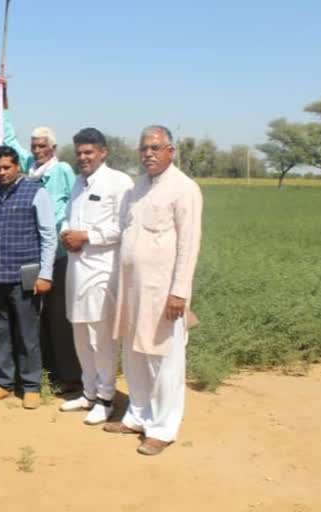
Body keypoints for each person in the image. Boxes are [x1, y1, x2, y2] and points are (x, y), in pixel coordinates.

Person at [104, 126, 203, 456]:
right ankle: (138, 415)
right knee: (134, 355)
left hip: (163, 292)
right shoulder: (137, 188)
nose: (148, 153)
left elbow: (189, 244)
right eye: (144, 148)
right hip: (133, 289)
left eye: (155, 148)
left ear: (170, 151)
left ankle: (163, 428)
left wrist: (180, 292)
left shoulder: (183, 189)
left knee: (164, 359)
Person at [1, 85, 80, 391]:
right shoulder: (28, 168)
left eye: (41, 146)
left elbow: (76, 203)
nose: (36, 151)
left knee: (59, 316)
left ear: (53, 148)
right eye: (33, 146)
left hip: (57, 253)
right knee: (32, 312)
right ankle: (41, 368)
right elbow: (7, 138)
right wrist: (4, 98)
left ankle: (69, 374)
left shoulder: (61, 171)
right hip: (28, 254)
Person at [0, 146, 57, 409]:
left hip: (27, 275)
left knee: (28, 333)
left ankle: (31, 386)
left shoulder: (35, 193)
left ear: (17, 167)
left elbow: (48, 237)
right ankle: (3, 383)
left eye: (7, 167)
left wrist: (45, 274)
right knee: (1, 333)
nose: (2, 172)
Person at [58, 128, 134, 425]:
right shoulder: (79, 183)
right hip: (76, 269)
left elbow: (125, 226)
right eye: (79, 152)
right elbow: (68, 215)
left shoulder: (119, 183)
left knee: (100, 337)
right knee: (80, 334)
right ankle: (88, 392)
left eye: (88, 152)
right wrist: (67, 232)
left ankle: (106, 397)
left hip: (103, 270)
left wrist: (87, 236)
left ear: (103, 152)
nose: (82, 157)